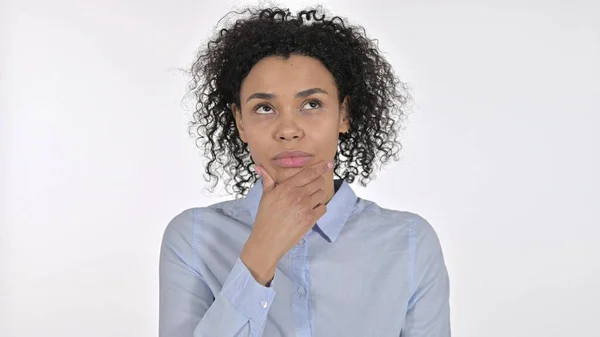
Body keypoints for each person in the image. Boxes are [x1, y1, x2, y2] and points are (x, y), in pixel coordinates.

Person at [159, 6, 450, 337]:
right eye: (264, 108)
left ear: (344, 114)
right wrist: (261, 251)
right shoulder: (194, 238)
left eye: (311, 104)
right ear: (240, 122)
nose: (288, 129)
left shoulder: (410, 242)